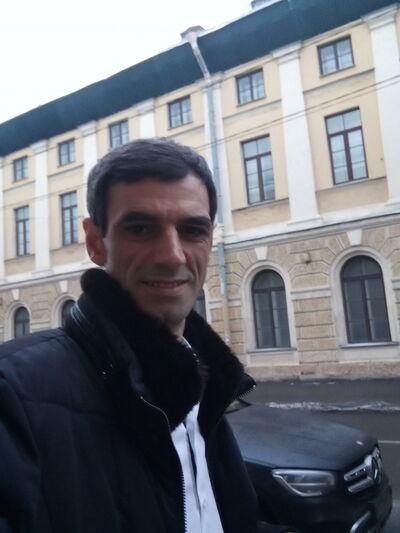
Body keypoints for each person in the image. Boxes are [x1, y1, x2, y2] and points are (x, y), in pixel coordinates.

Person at [0, 138, 296, 533]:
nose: (172, 255)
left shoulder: (207, 382)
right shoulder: (13, 395)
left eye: (193, 229)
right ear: (95, 242)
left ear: (210, 240)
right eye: (140, 229)